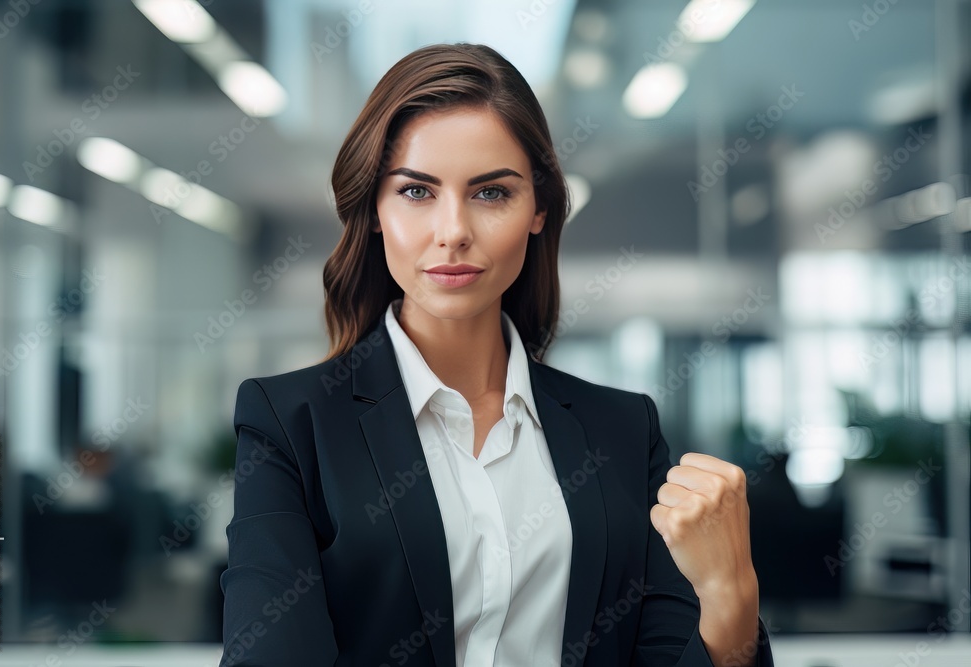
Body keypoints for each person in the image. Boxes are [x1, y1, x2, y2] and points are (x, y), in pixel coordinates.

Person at [219, 42, 775, 667]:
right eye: (416, 192)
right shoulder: (291, 426)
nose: (453, 230)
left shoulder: (623, 432)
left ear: (537, 210)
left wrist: (733, 593)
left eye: (490, 194)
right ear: (374, 210)